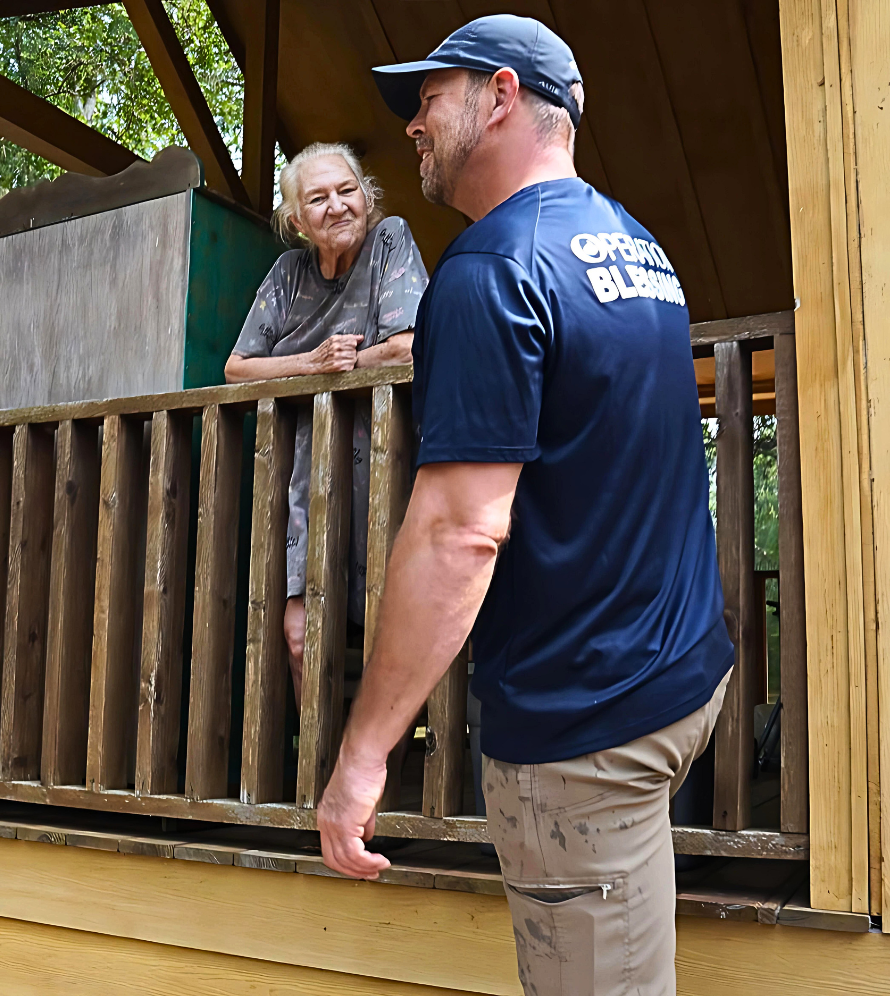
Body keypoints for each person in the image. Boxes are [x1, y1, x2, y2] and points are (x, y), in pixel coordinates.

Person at [316, 15, 734, 996]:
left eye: (428, 97)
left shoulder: (488, 271)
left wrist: (361, 756)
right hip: (678, 680)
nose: (411, 124)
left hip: (583, 735)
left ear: (501, 95)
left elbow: (459, 534)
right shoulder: (636, 249)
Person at [225, 142, 429, 702]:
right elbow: (237, 368)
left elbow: (408, 346)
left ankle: (376, 778)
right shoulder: (289, 272)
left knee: (394, 632)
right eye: (318, 199)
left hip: (389, 470)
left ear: (366, 197)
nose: (337, 206)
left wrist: (349, 365)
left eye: (347, 191)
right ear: (297, 220)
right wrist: (312, 364)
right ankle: (321, 776)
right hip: (308, 480)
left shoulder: (390, 241)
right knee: (300, 634)